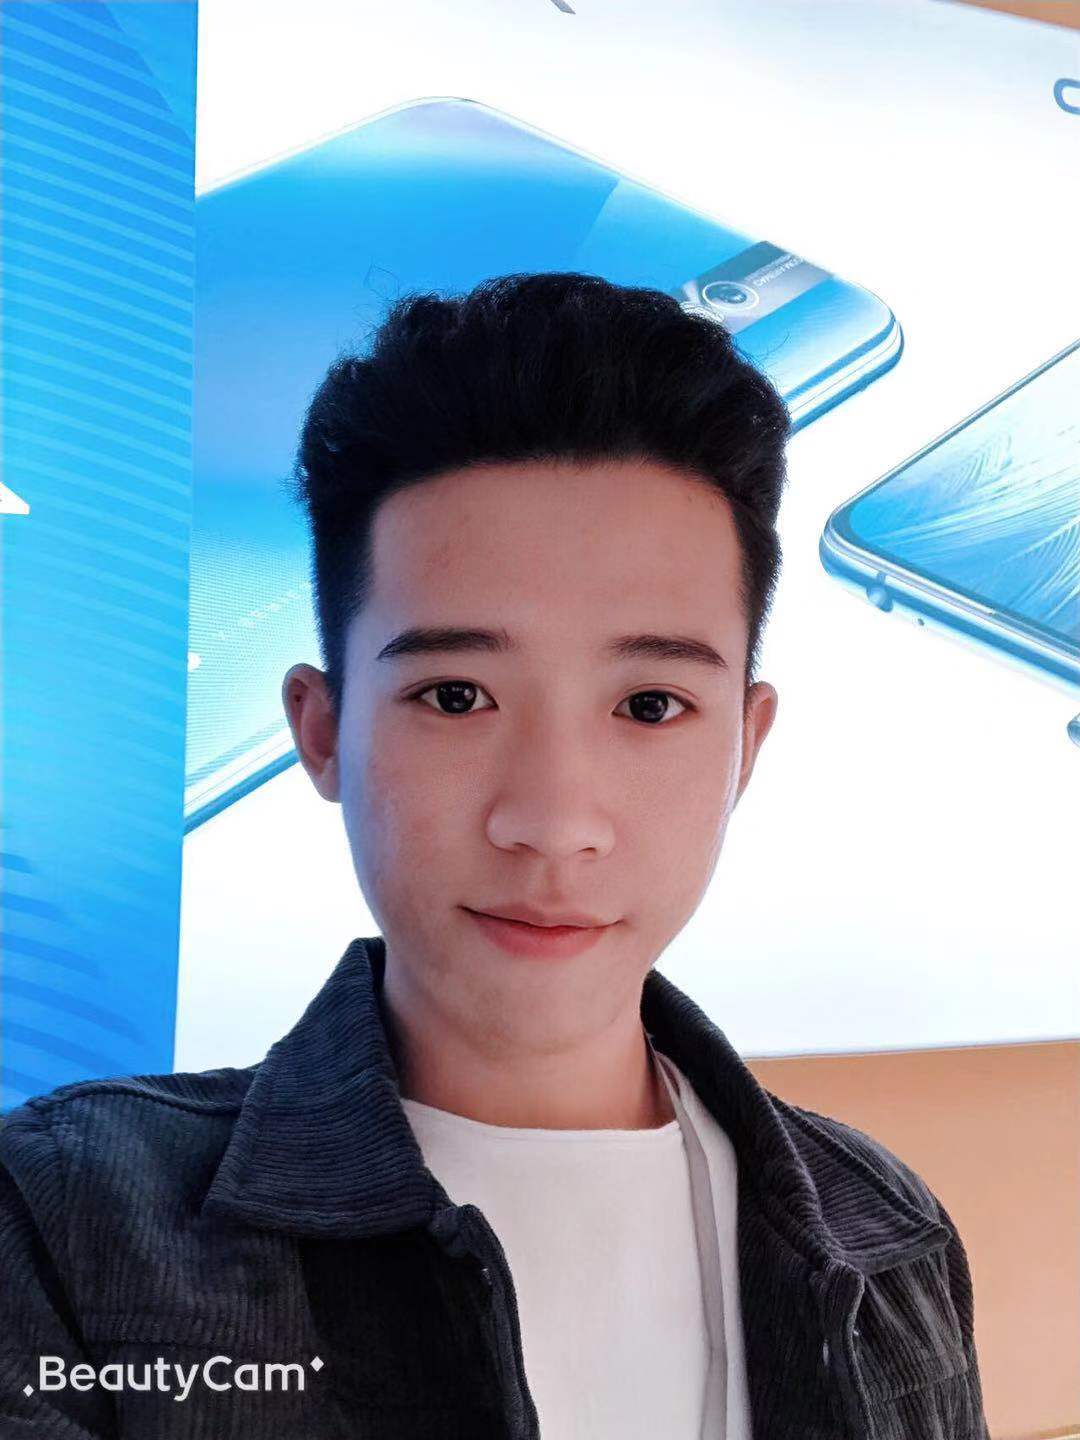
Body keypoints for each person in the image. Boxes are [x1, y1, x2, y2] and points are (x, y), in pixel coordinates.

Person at [0, 273, 988, 1439]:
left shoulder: (890, 1237)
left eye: (652, 705)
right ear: (322, 730)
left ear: (745, 745)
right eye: (457, 696)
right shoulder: (70, 1216)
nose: (554, 821)